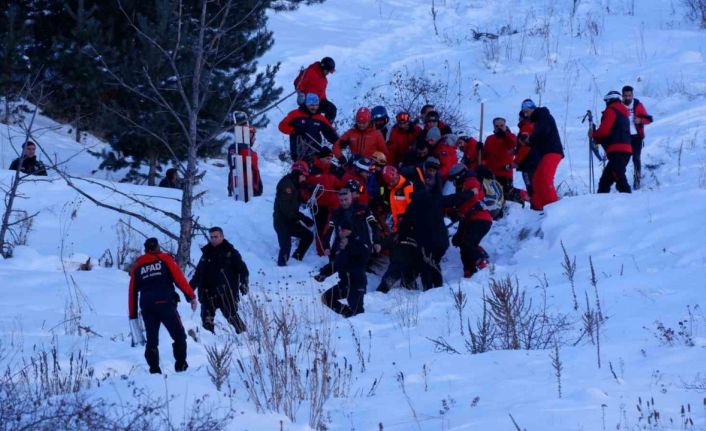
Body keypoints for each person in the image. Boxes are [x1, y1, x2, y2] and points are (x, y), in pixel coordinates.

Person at [128, 237, 198, 374]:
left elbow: (132, 292)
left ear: (145, 249)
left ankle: (154, 370)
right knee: (179, 336)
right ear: (157, 247)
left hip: (147, 307)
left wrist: (133, 315)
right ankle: (181, 366)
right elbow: (179, 279)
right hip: (166, 304)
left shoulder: (138, 266)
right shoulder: (164, 259)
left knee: (152, 340)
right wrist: (191, 296)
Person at [320, 189, 375, 317]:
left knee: (357, 311)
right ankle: (348, 315)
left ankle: (356, 320)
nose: (344, 202)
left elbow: (373, 226)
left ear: (352, 197)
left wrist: (375, 242)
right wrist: (324, 273)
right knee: (326, 298)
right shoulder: (337, 214)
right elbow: (331, 231)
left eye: (346, 199)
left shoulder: (362, 209)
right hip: (345, 282)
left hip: (356, 281)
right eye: (341, 200)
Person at [190, 227, 249, 334]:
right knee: (206, 322)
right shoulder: (206, 253)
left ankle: (246, 338)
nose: (213, 239)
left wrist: (244, 283)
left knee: (232, 316)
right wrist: (189, 290)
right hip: (208, 293)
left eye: (216, 237)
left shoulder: (231, 253)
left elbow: (243, 270)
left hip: (226, 293)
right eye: (211, 237)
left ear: (222, 236)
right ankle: (207, 346)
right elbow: (198, 274)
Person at [447, 164, 492, 278]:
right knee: (462, 242)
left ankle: (483, 263)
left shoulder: (471, 182)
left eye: (454, 180)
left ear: (459, 176)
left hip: (480, 218)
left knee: (468, 244)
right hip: (471, 219)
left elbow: (472, 199)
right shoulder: (464, 185)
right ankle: (469, 270)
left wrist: (460, 211)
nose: (453, 183)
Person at [521, 99, 564, 211]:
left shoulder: (543, 115)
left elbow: (543, 130)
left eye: (527, 111)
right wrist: (528, 141)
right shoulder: (537, 121)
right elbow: (539, 137)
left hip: (552, 151)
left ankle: (555, 209)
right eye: (524, 112)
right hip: (545, 153)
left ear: (533, 108)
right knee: (536, 180)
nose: (525, 114)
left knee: (545, 179)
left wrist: (530, 138)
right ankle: (539, 208)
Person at [273, 161, 315, 266]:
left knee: (308, 236)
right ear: (298, 173)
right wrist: (303, 218)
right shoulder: (287, 185)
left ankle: (296, 260)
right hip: (282, 222)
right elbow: (286, 209)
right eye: (304, 176)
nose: (304, 179)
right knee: (285, 248)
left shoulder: (295, 184)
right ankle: (281, 269)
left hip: (291, 221)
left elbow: (297, 200)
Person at [592, 91, 632, 194]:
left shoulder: (611, 110)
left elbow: (604, 131)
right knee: (605, 182)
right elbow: (612, 132)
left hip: (617, 151)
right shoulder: (624, 114)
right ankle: (601, 205)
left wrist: (594, 134)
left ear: (610, 100)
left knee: (620, 180)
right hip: (625, 150)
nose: (605, 103)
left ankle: (633, 204)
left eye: (606, 101)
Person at [279, 93, 338, 161]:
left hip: (315, 154)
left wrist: (339, 142)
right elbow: (282, 126)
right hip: (298, 154)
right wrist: (294, 130)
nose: (314, 107)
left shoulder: (320, 118)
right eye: (312, 105)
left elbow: (329, 132)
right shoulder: (294, 115)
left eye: (316, 105)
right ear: (306, 104)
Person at [307, 147, 343, 255]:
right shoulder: (312, 169)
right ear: (321, 158)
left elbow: (339, 185)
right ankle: (320, 252)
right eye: (328, 158)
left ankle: (327, 249)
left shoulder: (332, 170)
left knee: (330, 228)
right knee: (320, 229)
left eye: (331, 159)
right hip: (318, 206)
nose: (329, 161)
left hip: (331, 205)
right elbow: (305, 186)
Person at [483, 117, 528, 204]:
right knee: (493, 195)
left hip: (504, 173)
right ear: (494, 127)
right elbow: (485, 155)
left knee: (506, 192)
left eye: (501, 125)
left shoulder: (511, 136)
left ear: (505, 126)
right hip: (491, 173)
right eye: (497, 126)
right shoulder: (490, 139)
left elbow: (514, 143)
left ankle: (528, 198)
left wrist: (505, 134)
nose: (499, 128)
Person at [622, 85, 652, 189]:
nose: (627, 98)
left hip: (637, 137)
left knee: (636, 158)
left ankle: (637, 180)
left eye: (629, 95)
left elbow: (649, 119)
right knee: (622, 160)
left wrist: (640, 120)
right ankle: (621, 182)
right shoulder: (619, 106)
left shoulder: (638, 105)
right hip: (624, 138)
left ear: (632, 95)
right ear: (622, 96)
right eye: (625, 96)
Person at [294, 56, 337, 121]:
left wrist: (325, 101)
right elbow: (297, 84)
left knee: (332, 109)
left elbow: (322, 93)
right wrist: (300, 94)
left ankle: (326, 128)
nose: (328, 73)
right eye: (327, 71)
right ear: (323, 67)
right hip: (308, 101)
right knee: (314, 119)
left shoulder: (324, 80)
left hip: (319, 101)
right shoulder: (310, 71)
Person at [227, 126, 263, 198]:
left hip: (237, 187)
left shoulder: (233, 148)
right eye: (252, 136)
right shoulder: (247, 152)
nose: (254, 139)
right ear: (247, 136)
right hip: (248, 189)